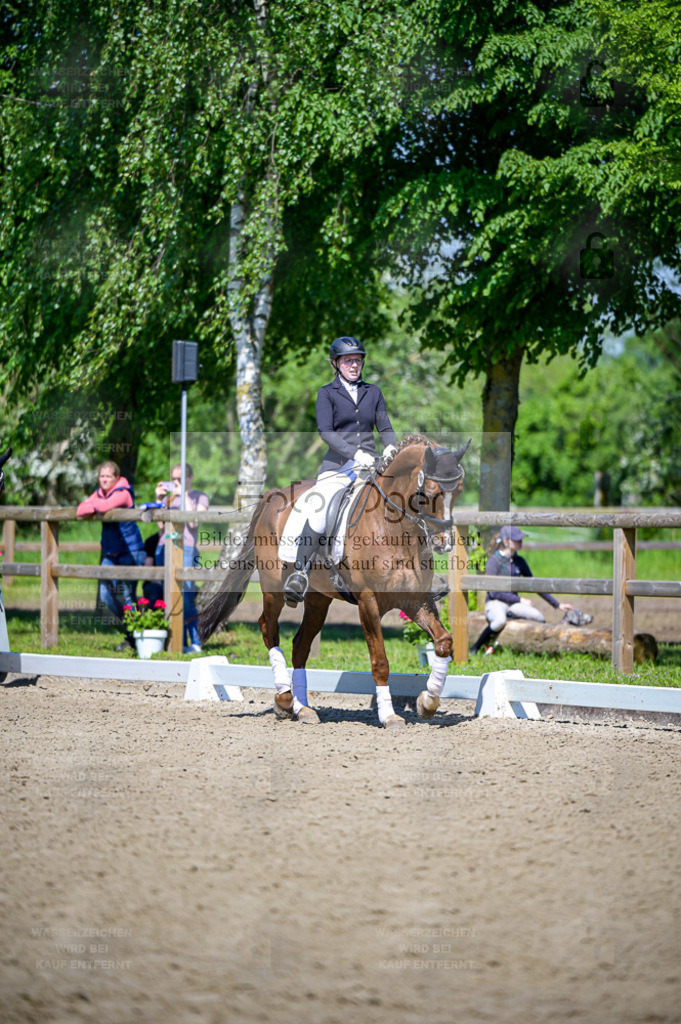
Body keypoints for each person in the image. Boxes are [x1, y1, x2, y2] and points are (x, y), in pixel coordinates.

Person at [284, 335, 416, 606]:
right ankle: (299, 573)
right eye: (348, 361)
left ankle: (417, 571)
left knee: (401, 504)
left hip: (371, 466)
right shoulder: (326, 393)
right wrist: (355, 454)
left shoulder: (374, 391)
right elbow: (326, 432)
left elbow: (386, 429)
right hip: (337, 467)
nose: (354, 365)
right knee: (319, 510)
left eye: (357, 360)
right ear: (336, 363)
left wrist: (391, 448)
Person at [471, 525, 574, 654]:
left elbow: (534, 584)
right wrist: (519, 599)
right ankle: (476, 647)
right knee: (499, 621)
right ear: (506, 541)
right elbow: (494, 592)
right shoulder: (494, 561)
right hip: (495, 602)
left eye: (521, 539)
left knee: (539, 617)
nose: (520, 541)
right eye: (516, 539)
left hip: (513, 604)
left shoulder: (519, 561)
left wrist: (557, 604)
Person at [77, 461, 146, 651]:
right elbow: (81, 509)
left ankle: (136, 639)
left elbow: (105, 507)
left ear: (116, 477)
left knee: (127, 596)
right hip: (110, 553)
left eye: (108, 476)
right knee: (106, 596)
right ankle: (131, 633)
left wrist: (94, 504)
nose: (104, 479)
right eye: (102, 476)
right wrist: (93, 505)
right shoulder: (100, 493)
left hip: (130, 551)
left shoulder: (124, 492)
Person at [153, 463, 209, 652]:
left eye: (181, 478)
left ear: (190, 478)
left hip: (186, 549)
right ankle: (176, 642)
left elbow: (193, 521)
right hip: (165, 547)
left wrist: (183, 494)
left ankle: (195, 642)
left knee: (185, 596)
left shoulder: (199, 496)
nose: (177, 482)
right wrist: (159, 499)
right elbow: (160, 526)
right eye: (174, 479)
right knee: (168, 595)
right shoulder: (169, 499)